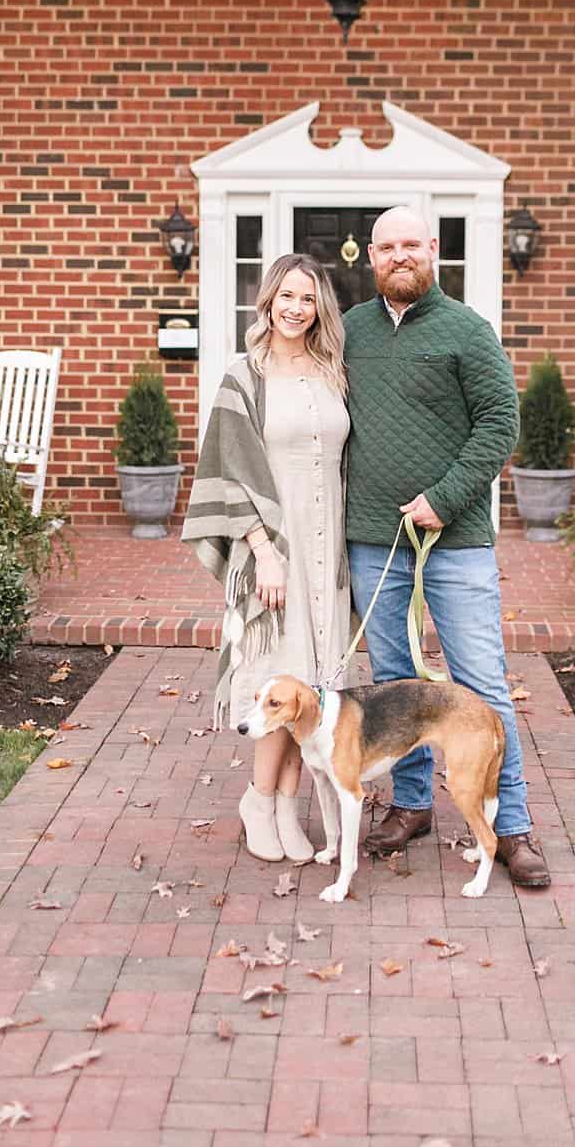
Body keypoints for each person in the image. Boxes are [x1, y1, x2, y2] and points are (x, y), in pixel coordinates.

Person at [343, 206, 551, 887]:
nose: (399, 255)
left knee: (481, 684)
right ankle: (410, 806)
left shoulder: (467, 330)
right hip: (374, 541)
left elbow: (499, 423)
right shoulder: (348, 332)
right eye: (387, 246)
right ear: (369, 257)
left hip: (455, 541)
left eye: (411, 244)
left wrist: (445, 496)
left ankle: (511, 826)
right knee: (396, 687)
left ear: (432, 250)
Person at [182, 254, 350, 865]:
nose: (296, 307)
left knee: (307, 682)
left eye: (308, 298)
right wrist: (262, 554)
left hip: (326, 548)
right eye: (286, 295)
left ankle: (287, 805)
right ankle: (259, 798)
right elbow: (228, 468)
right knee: (274, 671)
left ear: (319, 307)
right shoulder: (243, 377)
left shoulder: (334, 371)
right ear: (268, 300)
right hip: (272, 551)